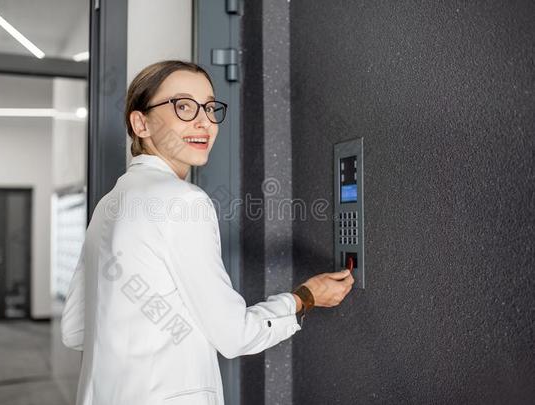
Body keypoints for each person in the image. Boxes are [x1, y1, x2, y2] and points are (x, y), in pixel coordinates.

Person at [60, 60, 354, 405]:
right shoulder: (184, 202)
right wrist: (305, 297)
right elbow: (233, 336)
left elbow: (75, 329)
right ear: (140, 123)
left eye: (210, 107)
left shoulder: (108, 204)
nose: (204, 122)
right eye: (183, 106)